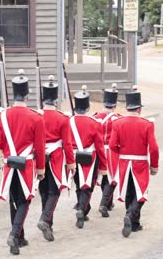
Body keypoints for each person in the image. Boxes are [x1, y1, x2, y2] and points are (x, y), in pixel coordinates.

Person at [0, 69, 46, 255]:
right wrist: (41, 168)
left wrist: (9, 149)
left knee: (14, 200)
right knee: (24, 201)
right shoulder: (36, 117)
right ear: (27, 94)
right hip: (27, 165)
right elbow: (40, 146)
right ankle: (15, 235)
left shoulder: (2, 115)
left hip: (9, 163)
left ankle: (20, 238)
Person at [108, 86, 160, 238]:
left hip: (124, 162)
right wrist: (154, 165)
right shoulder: (147, 124)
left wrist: (122, 153)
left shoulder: (117, 123)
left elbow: (112, 145)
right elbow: (154, 148)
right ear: (139, 109)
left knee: (130, 192)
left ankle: (134, 224)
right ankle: (130, 216)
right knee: (141, 193)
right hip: (140, 163)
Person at [37, 75, 76, 242]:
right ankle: (45, 219)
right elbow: (67, 143)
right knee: (55, 191)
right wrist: (71, 162)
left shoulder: (35, 116)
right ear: (56, 99)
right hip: (56, 159)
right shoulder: (62, 118)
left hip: (38, 157)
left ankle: (48, 225)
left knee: (44, 192)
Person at [70, 85, 107, 229]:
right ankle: (81, 209)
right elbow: (99, 146)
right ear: (87, 107)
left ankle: (82, 208)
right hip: (89, 157)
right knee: (87, 186)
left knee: (79, 184)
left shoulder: (69, 121)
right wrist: (103, 166)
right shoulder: (94, 123)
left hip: (73, 156)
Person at [93, 83, 121, 218]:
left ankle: (108, 203)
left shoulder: (95, 117)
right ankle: (104, 204)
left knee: (103, 176)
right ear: (114, 106)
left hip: (97, 149)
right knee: (112, 178)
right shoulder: (118, 119)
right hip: (111, 150)